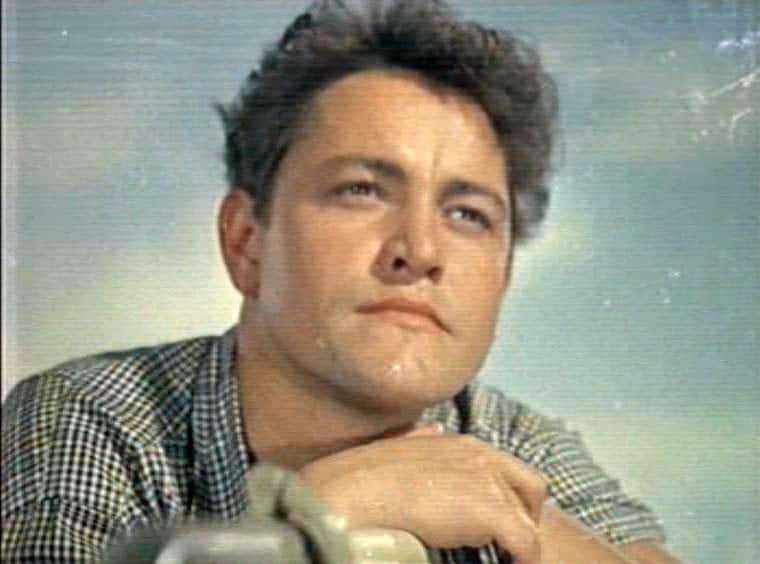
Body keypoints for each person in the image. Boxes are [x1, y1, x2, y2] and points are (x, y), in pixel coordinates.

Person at [1, 1, 681, 562]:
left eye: (467, 214)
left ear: (503, 278)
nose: (420, 251)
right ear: (246, 241)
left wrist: (530, 529)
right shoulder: (93, 419)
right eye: (361, 189)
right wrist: (318, 515)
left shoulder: (514, 442)